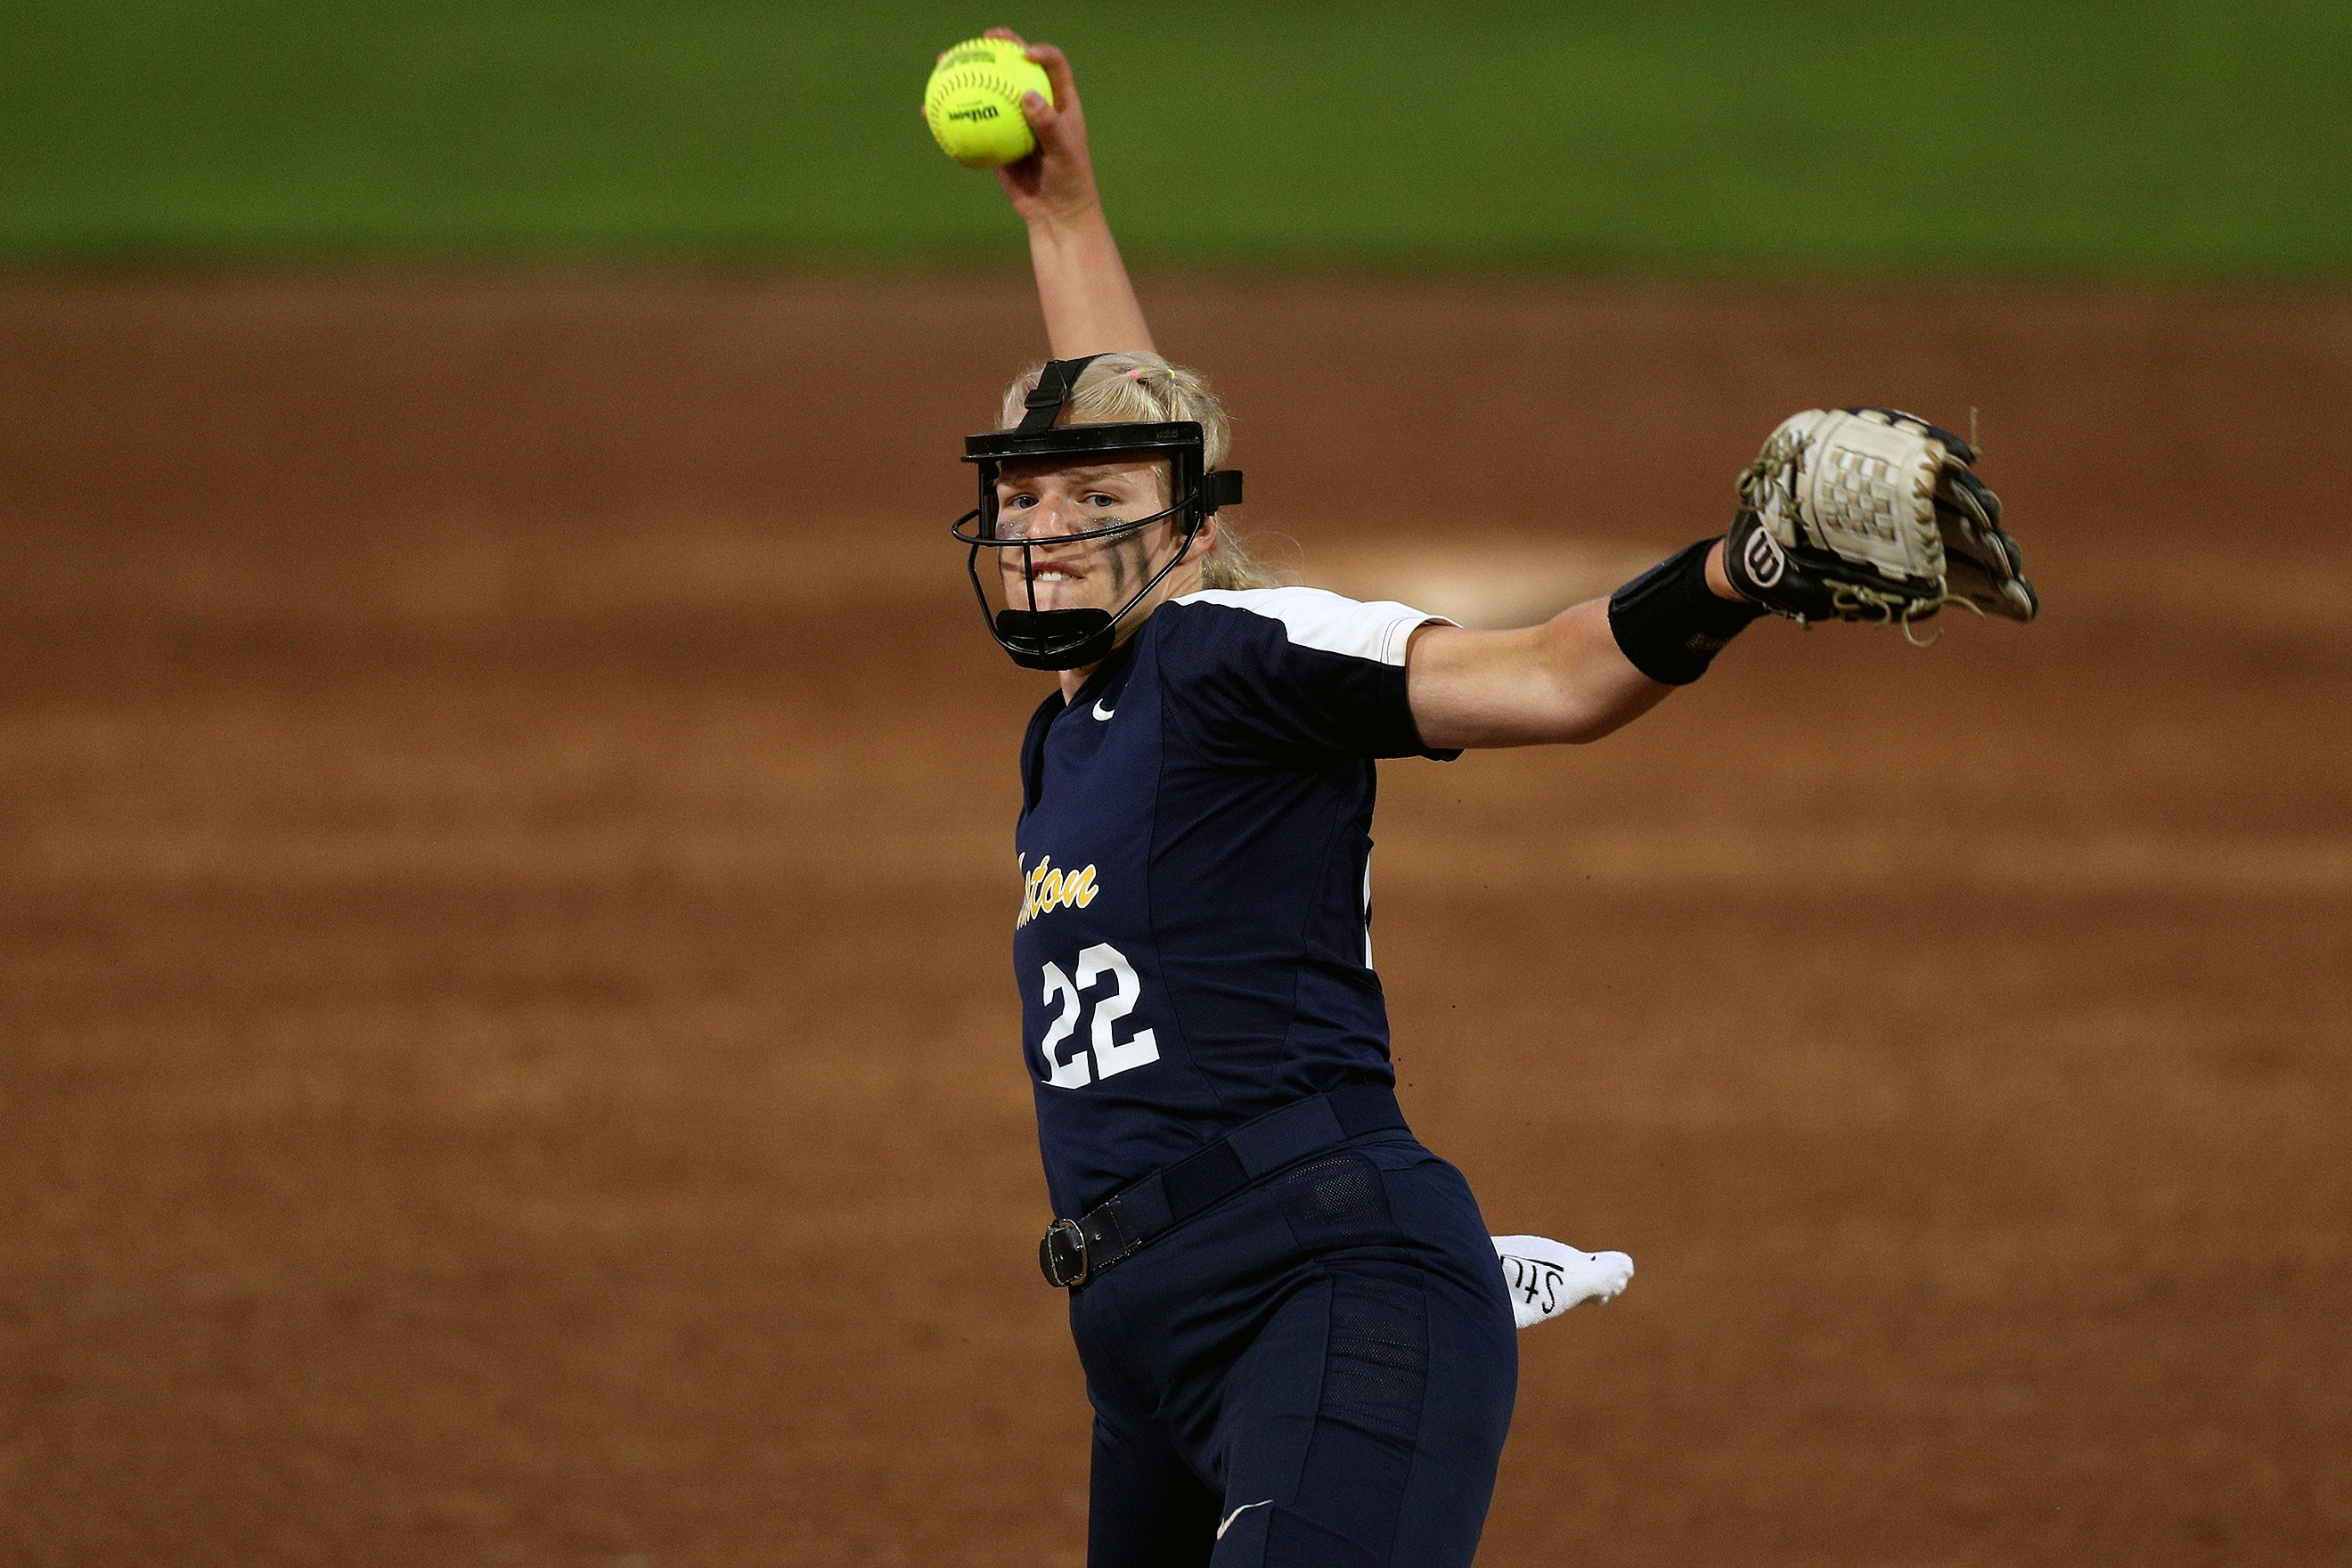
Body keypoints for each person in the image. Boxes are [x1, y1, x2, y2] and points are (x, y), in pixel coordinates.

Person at [946, 31, 2020, 1568]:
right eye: (1025, 499)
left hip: (1320, 1285)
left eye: (1097, 504)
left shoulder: (1234, 655)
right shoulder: (1077, 730)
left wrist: (1742, 572)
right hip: (1145, 1351)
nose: (1049, 531)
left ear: (1182, 531)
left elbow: (1558, 678)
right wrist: (1060, 216)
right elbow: (1142, 437)